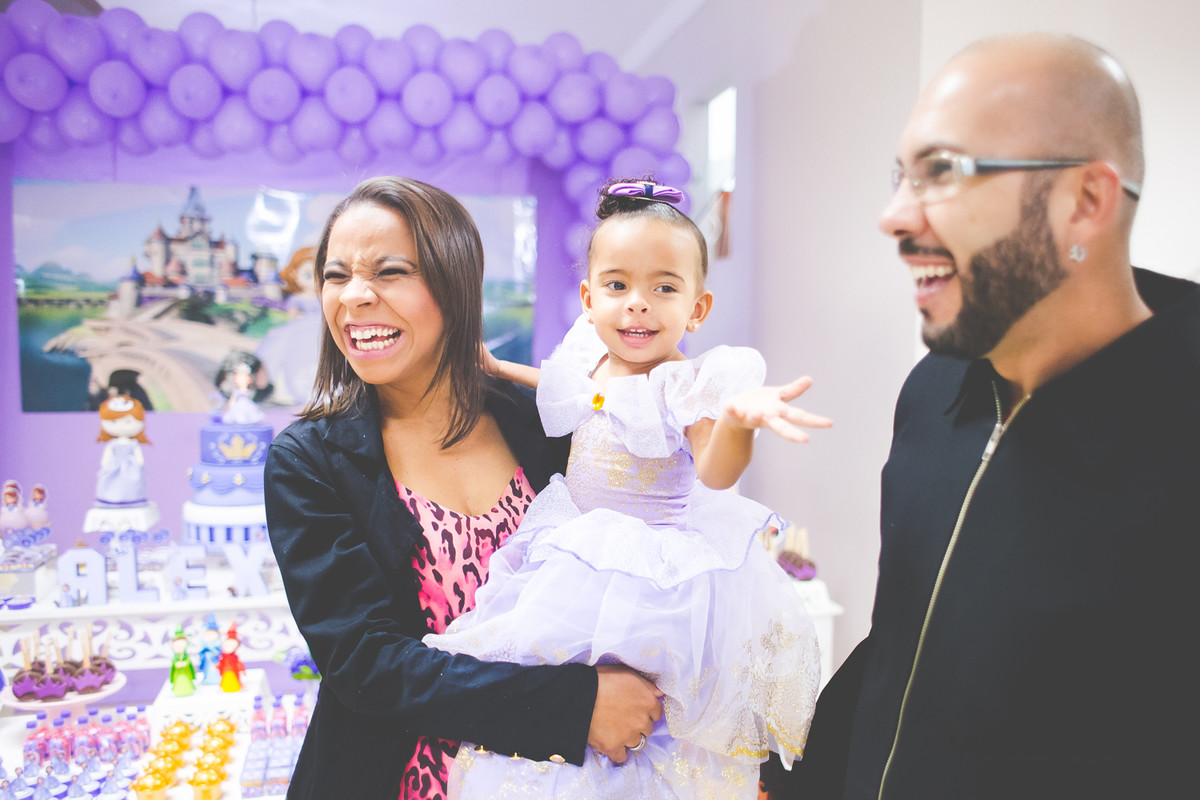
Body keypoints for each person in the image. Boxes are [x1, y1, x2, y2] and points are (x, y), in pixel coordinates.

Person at [778, 33, 1199, 800]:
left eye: (944, 172)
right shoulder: (932, 394)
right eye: (901, 175)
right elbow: (904, 646)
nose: (893, 216)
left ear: (1087, 201)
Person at [423, 179, 832, 799]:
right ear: (589, 299)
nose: (637, 304)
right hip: (576, 551)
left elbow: (716, 472)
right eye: (617, 286)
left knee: (656, 720)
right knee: (564, 698)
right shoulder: (587, 359)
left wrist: (738, 426)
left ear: (697, 308)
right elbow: (576, 394)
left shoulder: (684, 385)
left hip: (652, 575)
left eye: (663, 288)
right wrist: (503, 369)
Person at [264, 176, 663, 800]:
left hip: (559, 781)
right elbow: (366, 665)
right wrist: (577, 706)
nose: (355, 296)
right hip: (400, 779)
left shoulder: (539, 423)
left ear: (454, 283)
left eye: (389, 271)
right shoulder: (311, 460)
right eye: (335, 275)